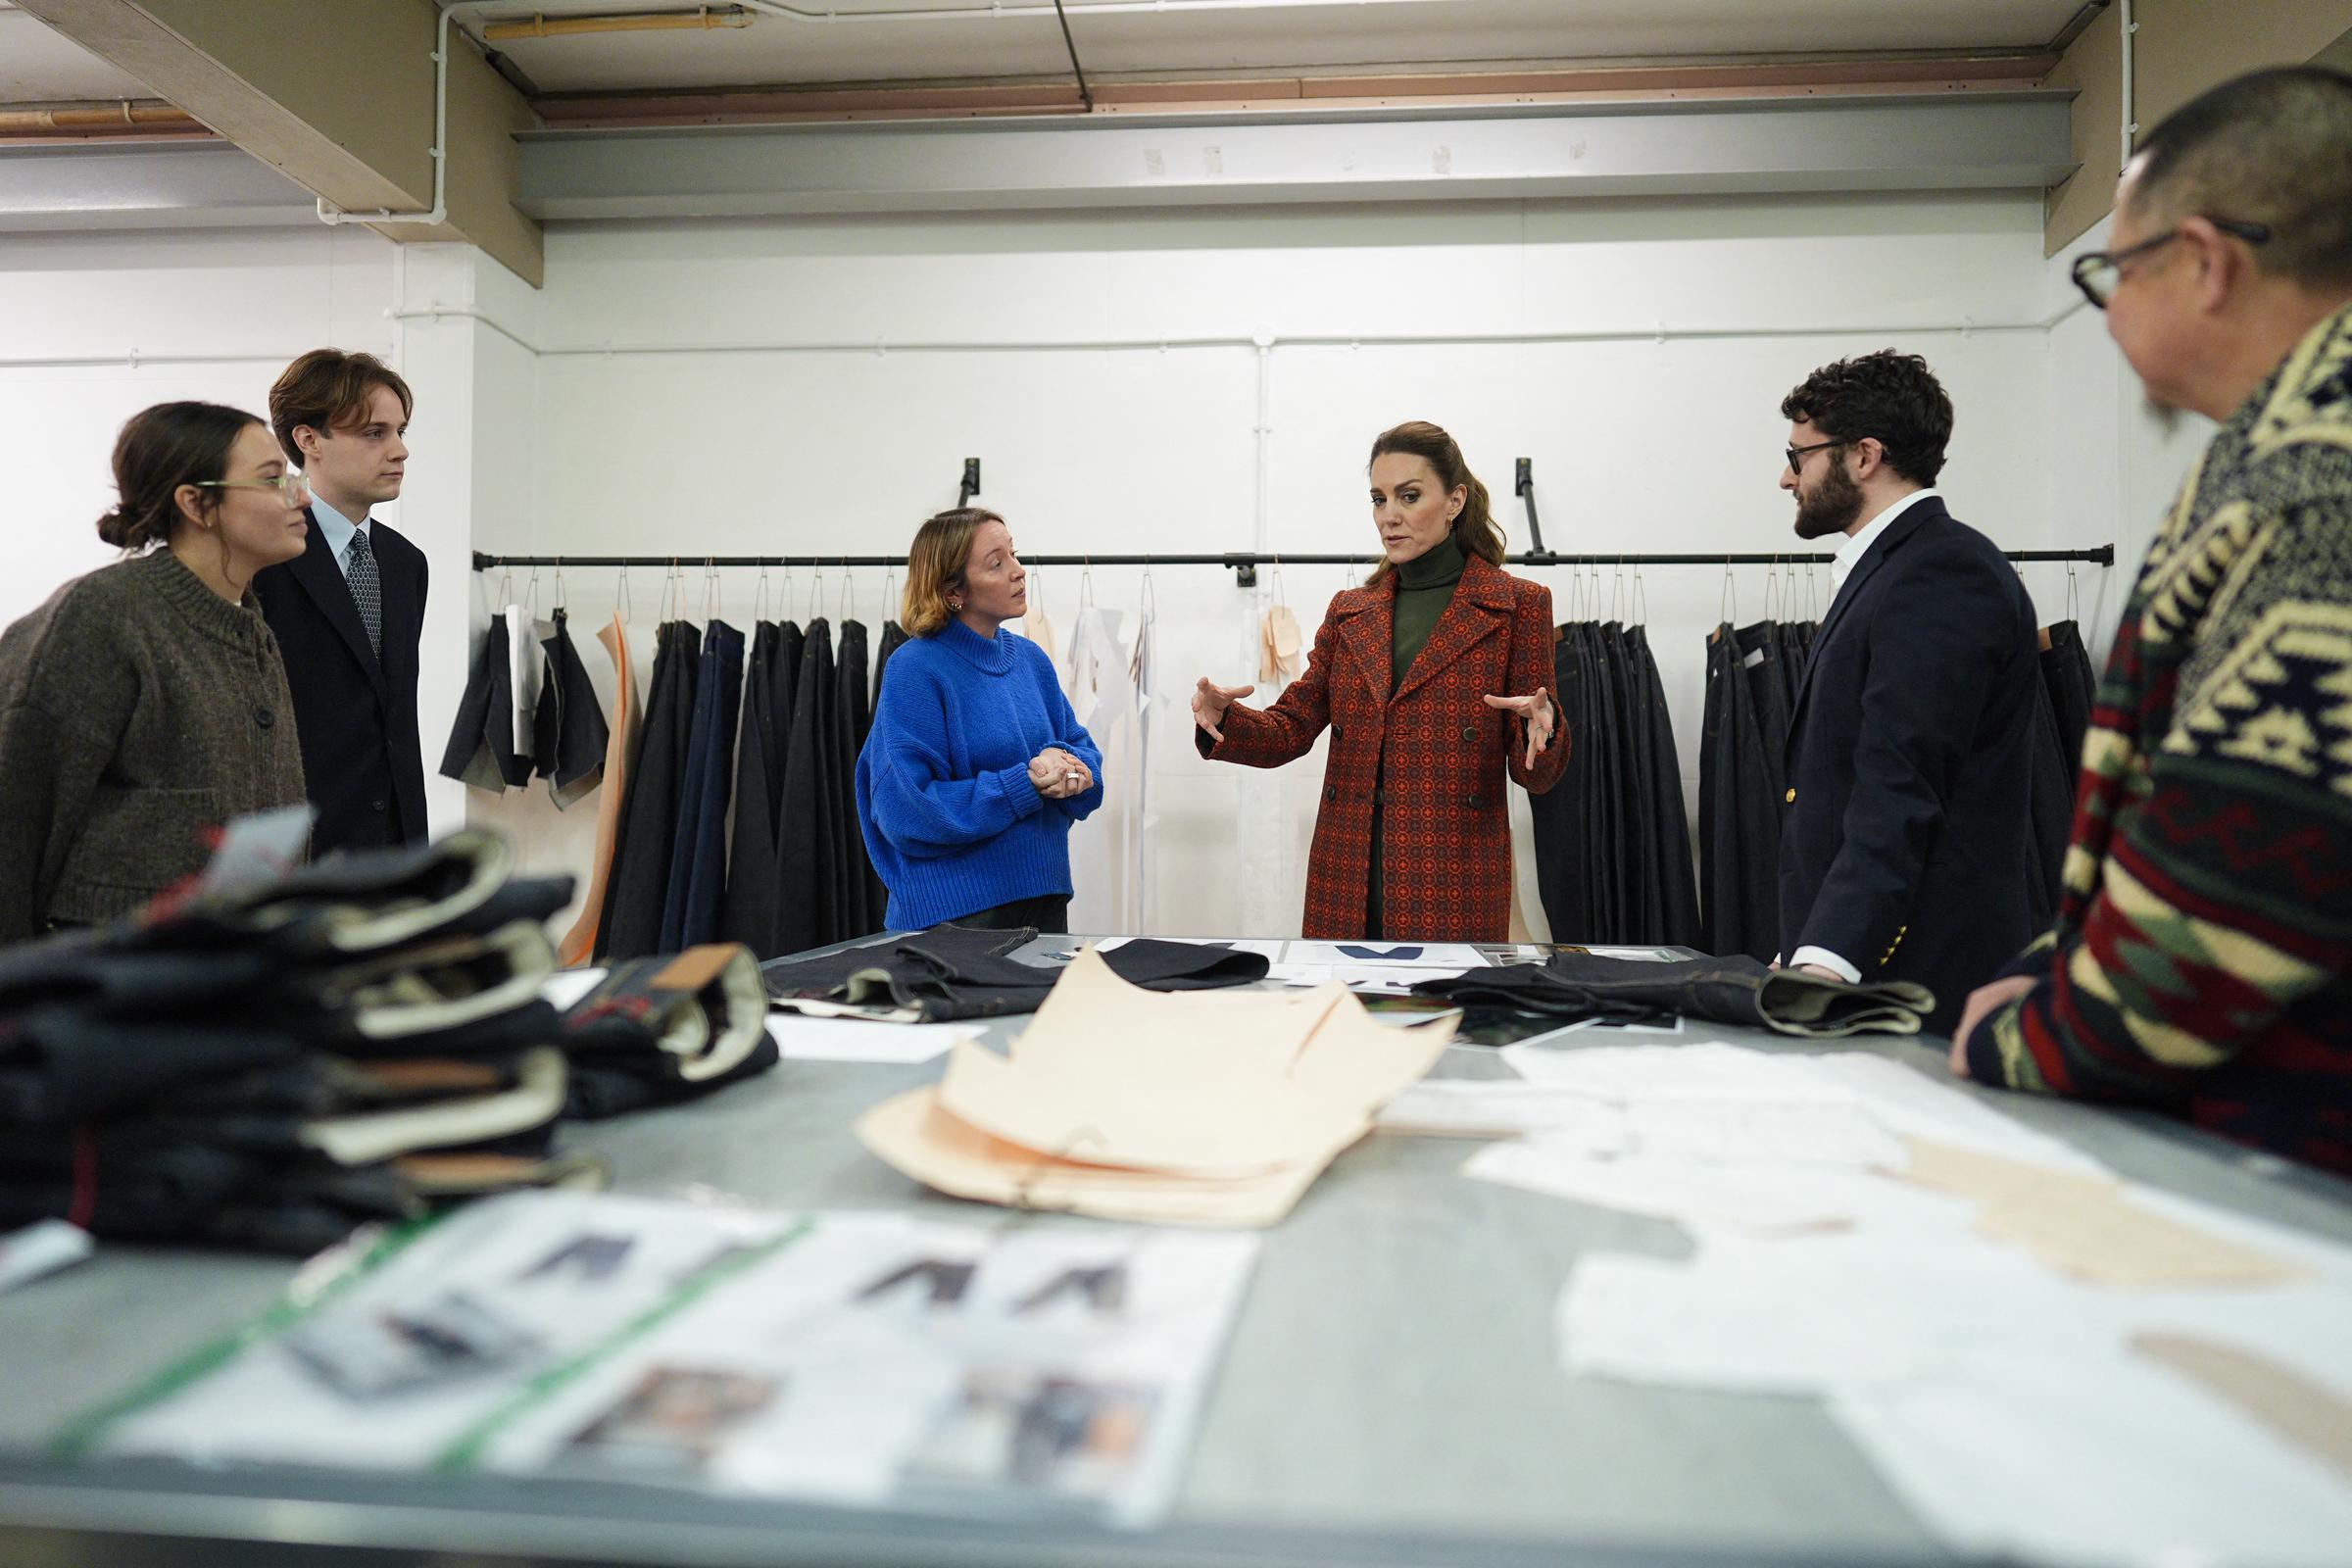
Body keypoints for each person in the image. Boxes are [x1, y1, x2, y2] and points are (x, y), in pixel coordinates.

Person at [1952, 66, 2352, 1177]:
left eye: (2112, 272)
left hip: (2304, 1188)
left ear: (2208, 262)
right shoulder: (2289, 455)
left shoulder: (2316, 489)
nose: (2110, 309)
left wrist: (2026, 1030)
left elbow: (2253, 884)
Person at [1192, 420, 1564, 941]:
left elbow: (1537, 775)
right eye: (1378, 499)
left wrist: (1541, 734)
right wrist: (1223, 718)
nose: (1389, 516)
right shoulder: (1351, 612)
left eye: (1408, 496)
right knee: (1346, 1018)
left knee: (1444, 1020)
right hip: (1347, 873)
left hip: (1451, 875)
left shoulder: (1517, 606)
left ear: (1455, 501)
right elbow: (1291, 728)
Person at [1771, 350, 2043, 1037]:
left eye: (1798, 456)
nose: (1785, 477)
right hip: (1870, 966)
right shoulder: (1899, 569)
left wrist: (1828, 962)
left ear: (1864, 456)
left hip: (1914, 977)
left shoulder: (1940, 573)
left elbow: (1901, 788)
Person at [0, 403, 310, 941]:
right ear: (196, 503)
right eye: (271, 479)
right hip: (108, 978)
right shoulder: (102, 615)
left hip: (223, 969)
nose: (300, 495)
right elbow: (16, 812)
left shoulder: (249, 628)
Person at [856, 508, 1104, 933]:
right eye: (997, 563)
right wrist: (1025, 785)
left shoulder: (1030, 660)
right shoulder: (916, 668)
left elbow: (1082, 750)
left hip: (1043, 905)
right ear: (954, 590)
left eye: (1014, 554)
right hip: (953, 921)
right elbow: (906, 811)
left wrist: (1074, 772)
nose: (1019, 571)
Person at [254, 349, 429, 856]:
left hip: (392, 844)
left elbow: (392, 714)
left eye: (400, 432)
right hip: (296, 844)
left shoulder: (404, 563)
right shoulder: (263, 553)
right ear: (308, 440)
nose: (399, 451)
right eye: (375, 433)